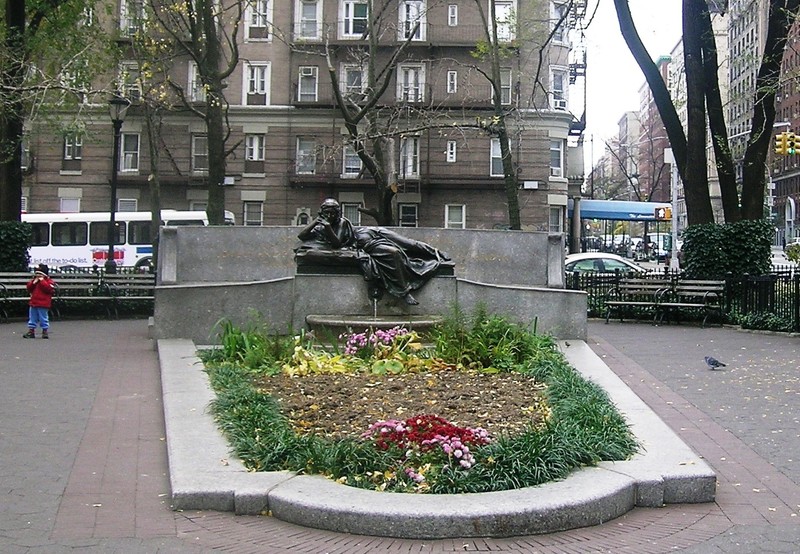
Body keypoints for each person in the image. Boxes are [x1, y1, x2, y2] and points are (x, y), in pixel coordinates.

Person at [296, 199, 451, 305]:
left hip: (367, 236)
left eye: (333, 213)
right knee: (393, 252)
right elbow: (302, 236)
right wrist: (316, 221)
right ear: (322, 212)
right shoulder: (321, 226)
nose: (330, 216)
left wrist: (328, 227)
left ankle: (436, 252)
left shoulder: (341, 222)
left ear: (338, 213)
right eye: (327, 213)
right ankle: (404, 292)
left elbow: (337, 242)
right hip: (366, 243)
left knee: (408, 244)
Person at [23, 263, 56, 339]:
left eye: (40, 274)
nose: (38, 276)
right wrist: (33, 282)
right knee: (32, 318)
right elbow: (29, 288)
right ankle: (31, 331)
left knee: (43, 318)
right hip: (34, 302)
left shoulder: (49, 281)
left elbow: (48, 289)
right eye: (37, 274)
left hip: (43, 303)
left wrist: (42, 281)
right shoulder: (34, 281)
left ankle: (45, 331)